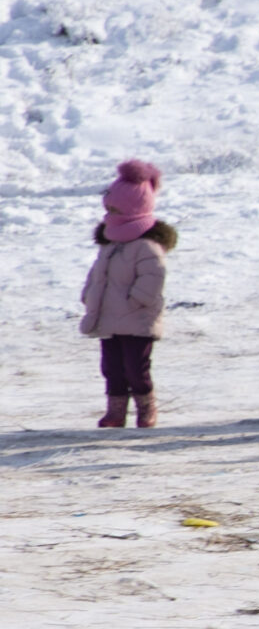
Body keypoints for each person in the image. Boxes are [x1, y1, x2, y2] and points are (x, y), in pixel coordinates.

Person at [79, 159, 177, 428]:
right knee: (112, 368)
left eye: (114, 207)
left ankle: (146, 409)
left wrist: (135, 300)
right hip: (110, 318)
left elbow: (153, 277)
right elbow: (98, 274)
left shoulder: (146, 246)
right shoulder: (111, 242)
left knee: (136, 368)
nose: (108, 211)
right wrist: (88, 294)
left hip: (136, 319)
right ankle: (116, 411)